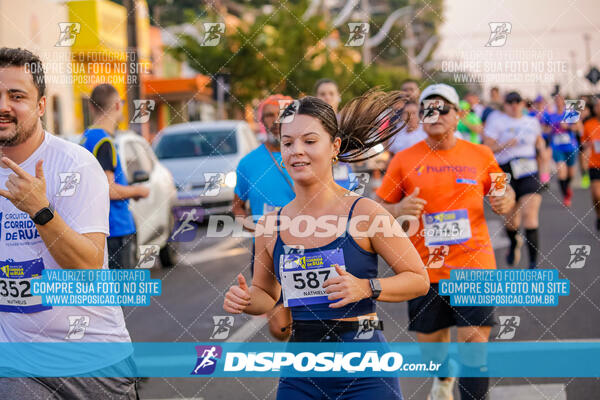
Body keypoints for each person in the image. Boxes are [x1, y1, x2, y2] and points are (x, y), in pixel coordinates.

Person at [224, 90, 430, 399]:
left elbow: (419, 280)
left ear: (334, 147)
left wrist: (367, 287)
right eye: (288, 142)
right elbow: (267, 295)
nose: (296, 151)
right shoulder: (270, 225)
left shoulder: (364, 213)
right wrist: (245, 300)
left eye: (309, 141)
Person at [0, 47, 137, 398]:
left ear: (41, 105)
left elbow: (89, 267)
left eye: (16, 96)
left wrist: (40, 210)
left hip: (92, 364)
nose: (3, 106)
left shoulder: (74, 165)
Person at [376, 83, 515, 400]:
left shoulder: (480, 155)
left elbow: (504, 191)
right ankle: (442, 378)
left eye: (443, 108)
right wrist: (397, 209)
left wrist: (506, 199)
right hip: (425, 270)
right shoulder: (404, 159)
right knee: (432, 351)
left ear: (457, 116)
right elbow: (377, 207)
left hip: (473, 264)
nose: (434, 114)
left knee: (473, 349)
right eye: (428, 109)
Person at [233, 94, 296, 340]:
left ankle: (308, 368)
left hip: (310, 245)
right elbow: (238, 208)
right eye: (270, 115)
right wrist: (254, 228)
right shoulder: (248, 163)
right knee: (280, 329)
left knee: (310, 320)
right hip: (268, 251)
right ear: (261, 120)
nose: (277, 121)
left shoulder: (306, 155)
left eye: (283, 114)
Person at [80, 84, 149, 269]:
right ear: (118, 105)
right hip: (115, 227)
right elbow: (108, 189)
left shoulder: (85, 138)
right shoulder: (104, 142)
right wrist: (139, 191)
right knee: (123, 294)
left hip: (96, 228)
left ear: (91, 107)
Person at [483, 91, 544, 269]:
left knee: (530, 217)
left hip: (529, 171)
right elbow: (486, 148)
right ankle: (513, 242)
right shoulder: (497, 120)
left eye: (518, 101)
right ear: (505, 104)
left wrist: (544, 164)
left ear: (523, 103)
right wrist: (504, 145)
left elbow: (540, 144)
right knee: (511, 220)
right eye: (510, 102)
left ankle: (533, 263)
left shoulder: (531, 122)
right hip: (504, 172)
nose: (514, 104)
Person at [314, 78, 354, 188]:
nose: (327, 97)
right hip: (319, 183)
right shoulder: (310, 125)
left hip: (346, 182)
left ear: (338, 97)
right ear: (316, 98)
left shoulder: (348, 122)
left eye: (331, 93)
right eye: (322, 94)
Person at [541, 94, 579, 207]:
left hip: (570, 147)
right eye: (556, 100)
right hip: (557, 147)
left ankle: (567, 188)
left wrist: (567, 126)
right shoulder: (550, 115)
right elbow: (545, 130)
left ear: (564, 102)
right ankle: (566, 196)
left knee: (571, 174)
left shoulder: (570, 112)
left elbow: (577, 127)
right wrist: (550, 129)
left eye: (560, 100)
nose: (558, 102)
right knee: (561, 172)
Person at [582, 99, 600, 231]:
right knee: (596, 194)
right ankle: (599, 215)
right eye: (598, 106)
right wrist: (587, 146)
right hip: (594, 164)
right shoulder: (589, 124)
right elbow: (584, 142)